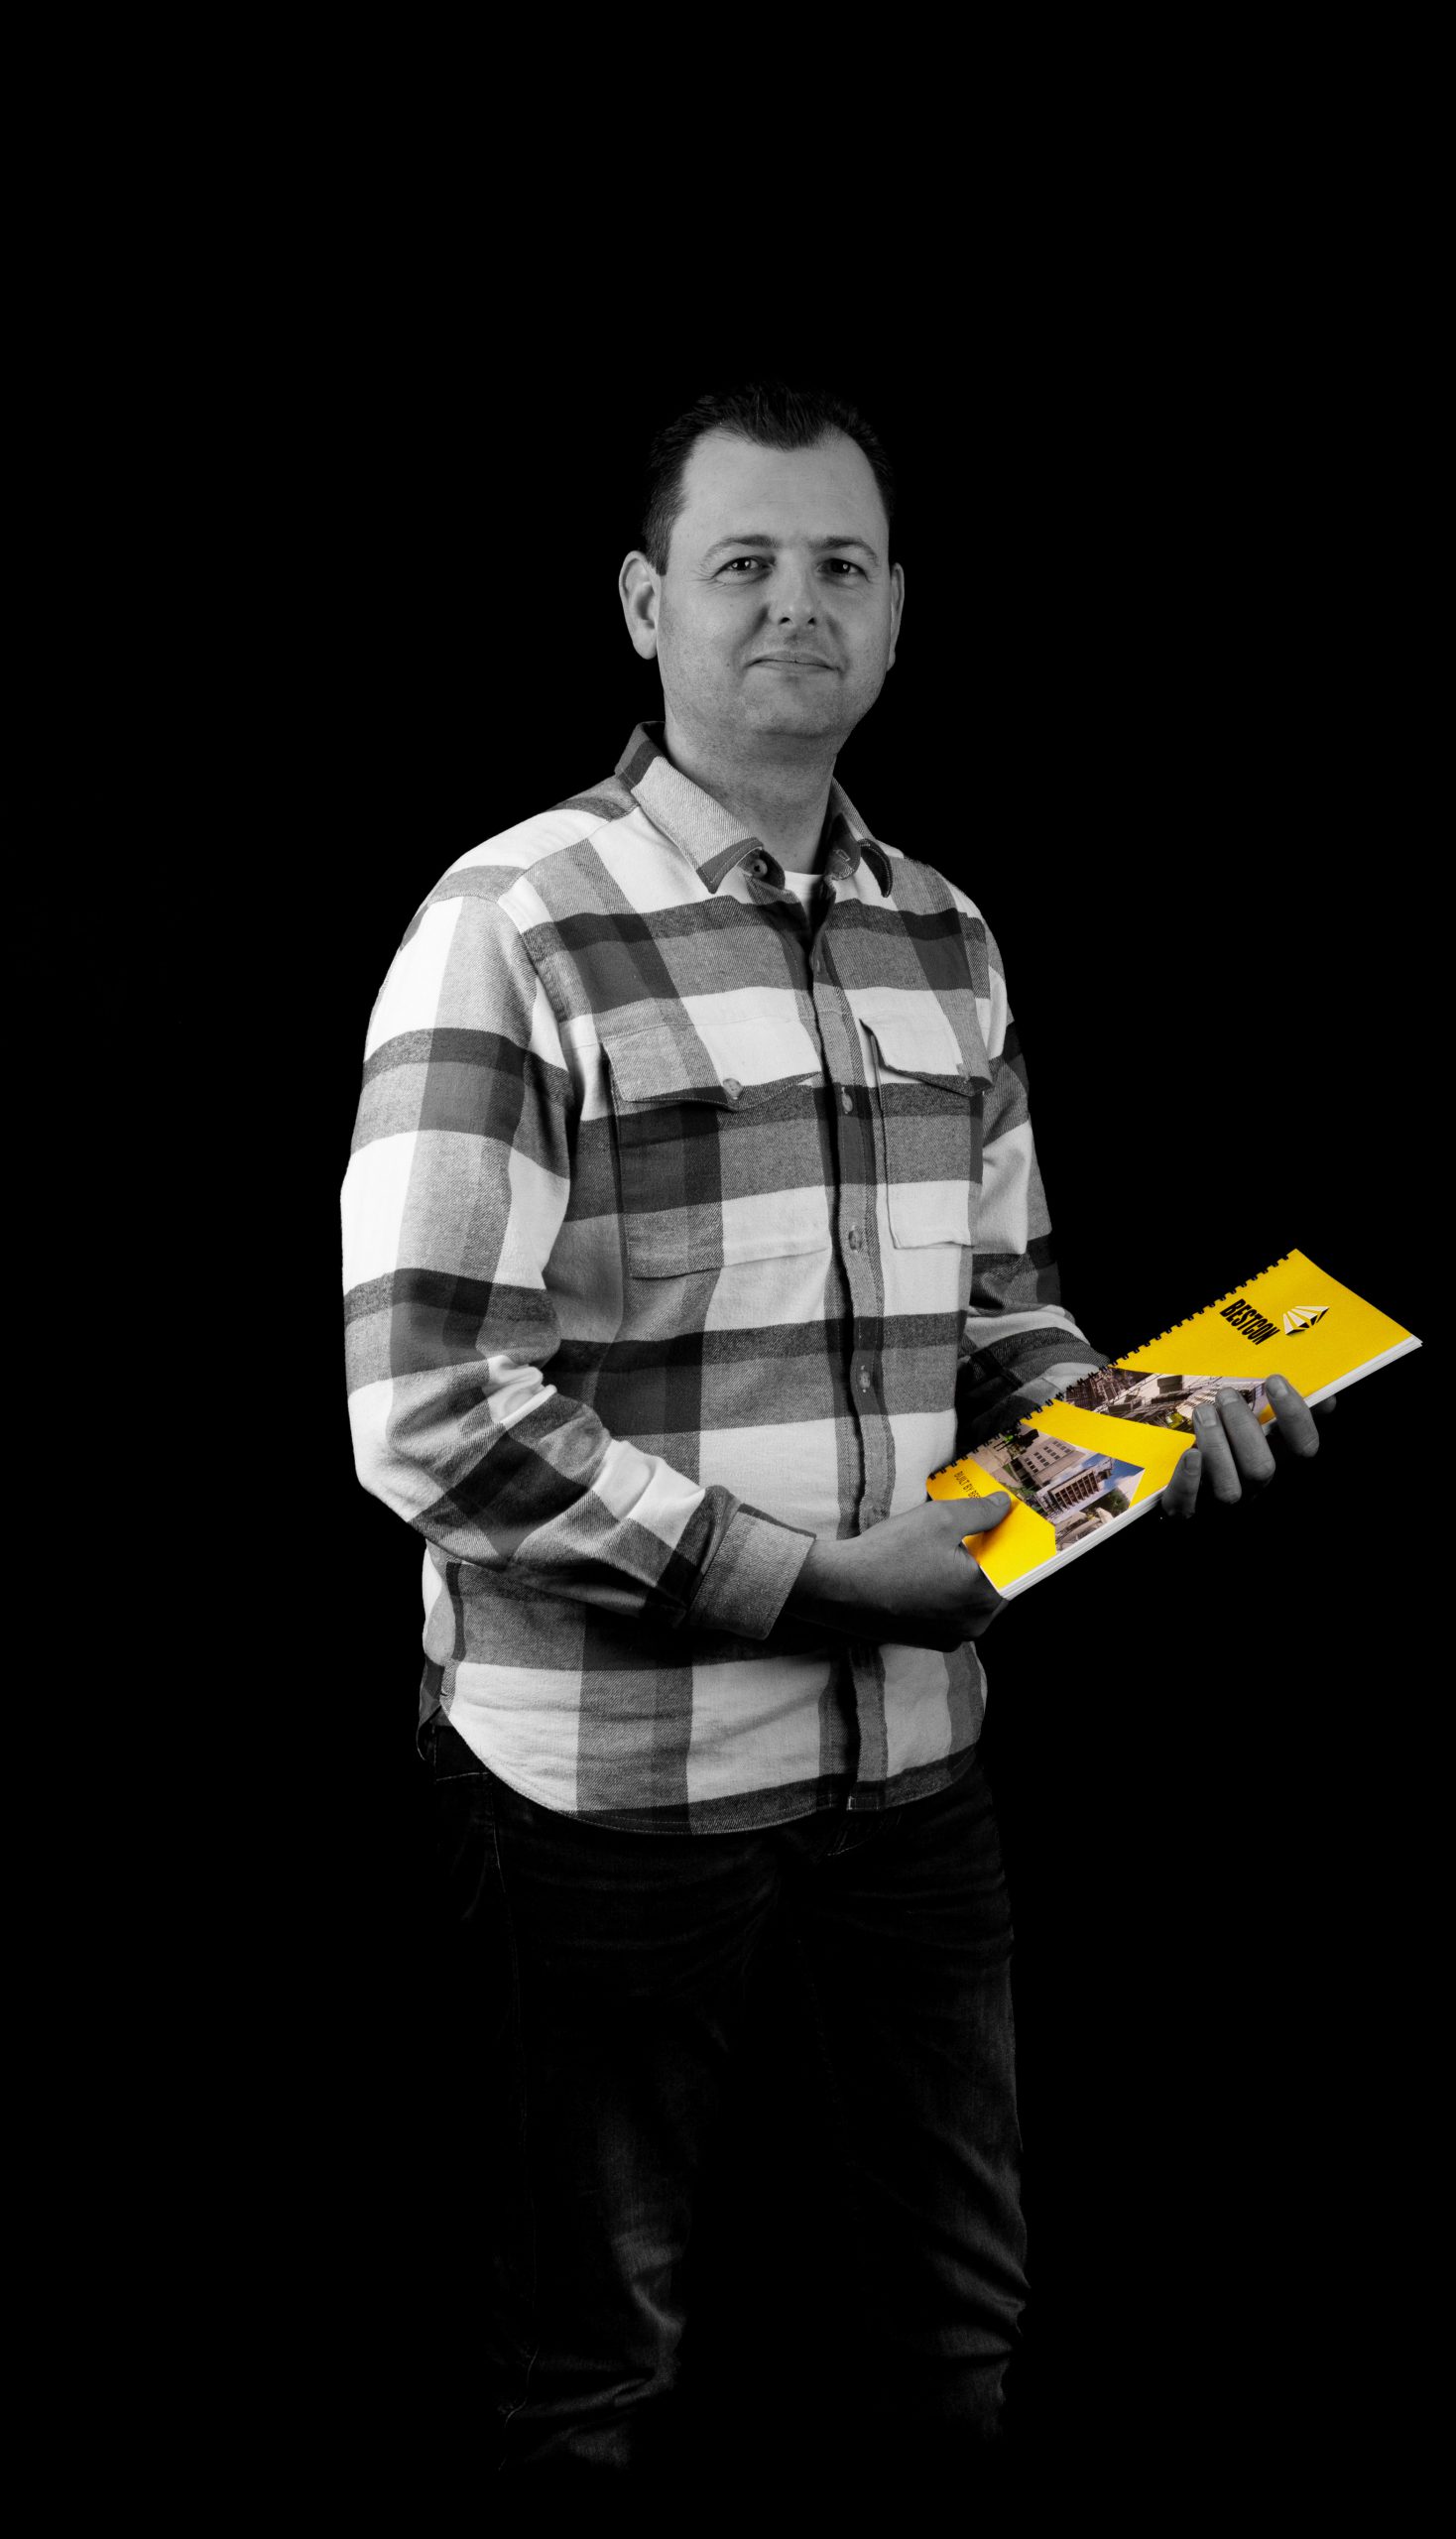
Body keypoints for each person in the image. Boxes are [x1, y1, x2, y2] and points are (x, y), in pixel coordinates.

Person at [340, 381, 1326, 2484]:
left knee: (947, 2342)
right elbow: (427, 1409)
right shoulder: (511, 924)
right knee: (589, 2377)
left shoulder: (942, 937)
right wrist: (809, 1584)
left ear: (895, 616)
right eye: (745, 562)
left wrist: (1149, 1421)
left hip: (912, 1777)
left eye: (841, 566)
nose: (797, 603)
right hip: (606, 1806)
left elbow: (1002, 1316)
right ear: (646, 604)